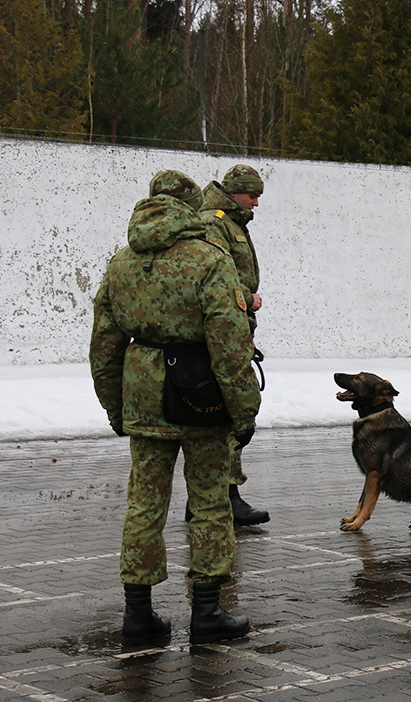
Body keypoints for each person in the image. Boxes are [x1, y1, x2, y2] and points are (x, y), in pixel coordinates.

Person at [90, 170, 261, 646]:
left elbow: (104, 344)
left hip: (142, 394)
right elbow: (230, 345)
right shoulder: (209, 259)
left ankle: (138, 616)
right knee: (208, 501)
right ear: (189, 208)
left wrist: (114, 407)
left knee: (144, 503)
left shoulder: (120, 263)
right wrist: (245, 408)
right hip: (201, 395)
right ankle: (206, 612)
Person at [198, 164, 270, 526]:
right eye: (252, 194)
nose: (256, 202)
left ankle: (212, 496)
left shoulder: (232, 222)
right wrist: (247, 298)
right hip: (226, 326)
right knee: (232, 413)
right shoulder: (215, 222)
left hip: (237, 324)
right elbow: (212, 275)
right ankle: (224, 495)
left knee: (232, 414)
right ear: (235, 192)